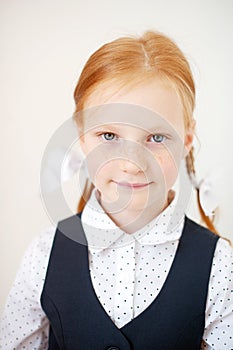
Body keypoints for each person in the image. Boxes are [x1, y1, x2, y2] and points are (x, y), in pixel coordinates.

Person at [0, 30, 232, 350]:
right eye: (109, 136)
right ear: (81, 137)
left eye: (157, 137)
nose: (133, 164)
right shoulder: (43, 253)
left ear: (187, 138)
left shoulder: (219, 264)